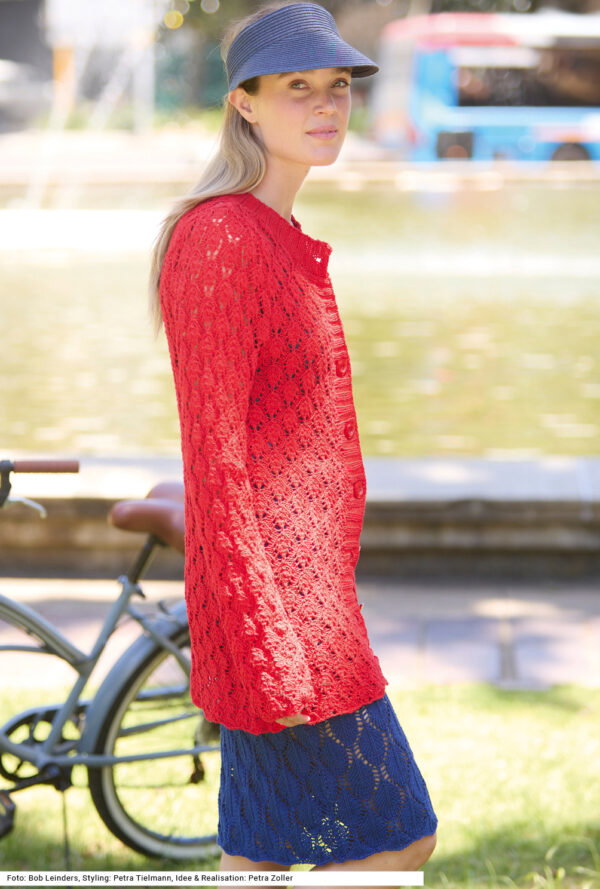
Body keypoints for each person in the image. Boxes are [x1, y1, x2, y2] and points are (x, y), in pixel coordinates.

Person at [149, 0, 438, 876]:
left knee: (258, 853)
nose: (325, 106)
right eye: (297, 87)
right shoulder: (220, 237)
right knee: (402, 836)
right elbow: (216, 456)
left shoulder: (277, 235)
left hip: (308, 592)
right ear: (244, 102)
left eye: (338, 86)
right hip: (280, 609)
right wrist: (262, 631)